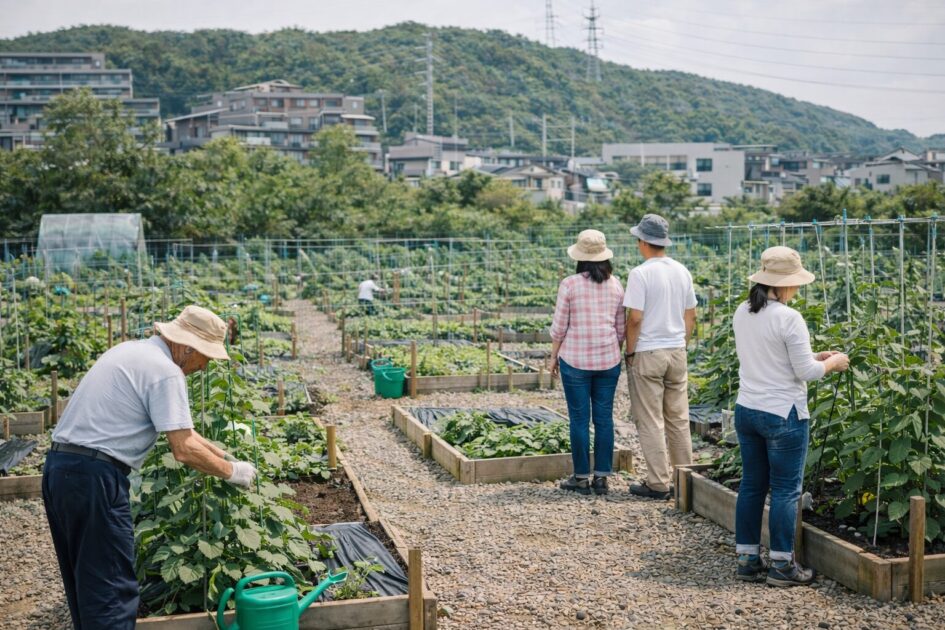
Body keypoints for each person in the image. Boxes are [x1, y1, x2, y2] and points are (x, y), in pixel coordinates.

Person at [42, 305, 258, 629]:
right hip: (96, 480)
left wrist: (224, 457)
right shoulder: (166, 371)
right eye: (206, 357)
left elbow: (186, 432)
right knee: (112, 592)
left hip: (61, 469)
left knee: (87, 584)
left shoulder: (133, 352)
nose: (205, 366)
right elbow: (183, 449)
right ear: (187, 347)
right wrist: (233, 474)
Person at [733, 246, 849, 587]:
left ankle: (747, 559)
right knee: (785, 490)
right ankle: (782, 566)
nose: (797, 290)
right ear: (782, 286)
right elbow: (807, 373)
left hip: (748, 409)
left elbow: (769, 357)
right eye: (795, 284)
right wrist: (832, 362)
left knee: (752, 486)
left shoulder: (743, 311)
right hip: (783, 415)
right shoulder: (789, 317)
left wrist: (815, 355)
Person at [624, 214, 697, 500]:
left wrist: (630, 352)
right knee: (679, 419)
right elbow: (690, 315)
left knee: (651, 419)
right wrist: (682, 343)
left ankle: (657, 483)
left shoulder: (640, 274)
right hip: (676, 351)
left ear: (643, 241)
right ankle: (686, 480)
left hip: (649, 351)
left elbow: (635, 319)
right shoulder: (682, 271)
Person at [550, 229, 626, 496]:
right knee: (604, 419)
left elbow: (559, 327)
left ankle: (581, 478)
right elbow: (620, 329)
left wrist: (552, 357)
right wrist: (610, 351)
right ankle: (602, 478)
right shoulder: (616, 284)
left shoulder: (569, 284)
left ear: (580, 257)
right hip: (608, 361)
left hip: (575, 360)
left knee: (579, 419)